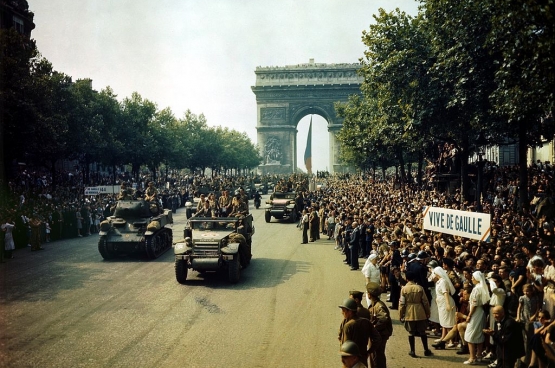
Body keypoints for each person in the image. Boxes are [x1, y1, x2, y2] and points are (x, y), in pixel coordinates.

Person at [338, 298, 382, 367]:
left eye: (344, 310)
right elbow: (378, 338)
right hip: (363, 357)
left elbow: (345, 347)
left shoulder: (348, 326)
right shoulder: (366, 322)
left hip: (351, 360)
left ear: (350, 312)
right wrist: (369, 352)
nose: (342, 312)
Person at [399, 270, 433, 358]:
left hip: (409, 311)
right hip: (420, 311)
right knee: (422, 331)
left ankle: (412, 351)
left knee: (411, 332)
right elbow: (425, 302)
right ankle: (426, 350)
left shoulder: (404, 289)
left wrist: (401, 315)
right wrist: (427, 312)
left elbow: (402, 304)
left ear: (406, 279)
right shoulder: (420, 288)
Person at [464, 271, 490, 365]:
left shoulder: (476, 289)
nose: (472, 279)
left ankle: (472, 357)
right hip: (481, 312)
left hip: (475, 313)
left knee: (470, 335)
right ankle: (479, 356)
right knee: (479, 334)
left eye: (473, 278)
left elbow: (474, 304)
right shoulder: (482, 287)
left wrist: (469, 315)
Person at [366, 282, 392, 368]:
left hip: (380, 335)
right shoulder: (374, 304)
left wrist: (374, 328)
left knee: (377, 357)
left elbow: (384, 318)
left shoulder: (379, 306)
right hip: (378, 334)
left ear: (370, 295)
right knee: (375, 356)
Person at [430, 266, 457, 347]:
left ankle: (451, 341)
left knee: (448, 322)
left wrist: (448, 304)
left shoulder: (443, 282)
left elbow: (445, 293)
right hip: (441, 304)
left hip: (446, 302)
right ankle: (443, 337)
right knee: (443, 322)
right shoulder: (439, 282)